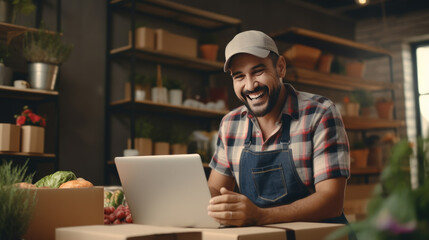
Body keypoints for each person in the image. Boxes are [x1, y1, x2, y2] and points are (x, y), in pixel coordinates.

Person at [207, 30, 351, 227]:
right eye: (239, 76)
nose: (250, 85)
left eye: (258, 72)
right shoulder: (230, 124)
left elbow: (331, 201)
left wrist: (260, 216)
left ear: (280, 67)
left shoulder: (319, 113)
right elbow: (215, 192)